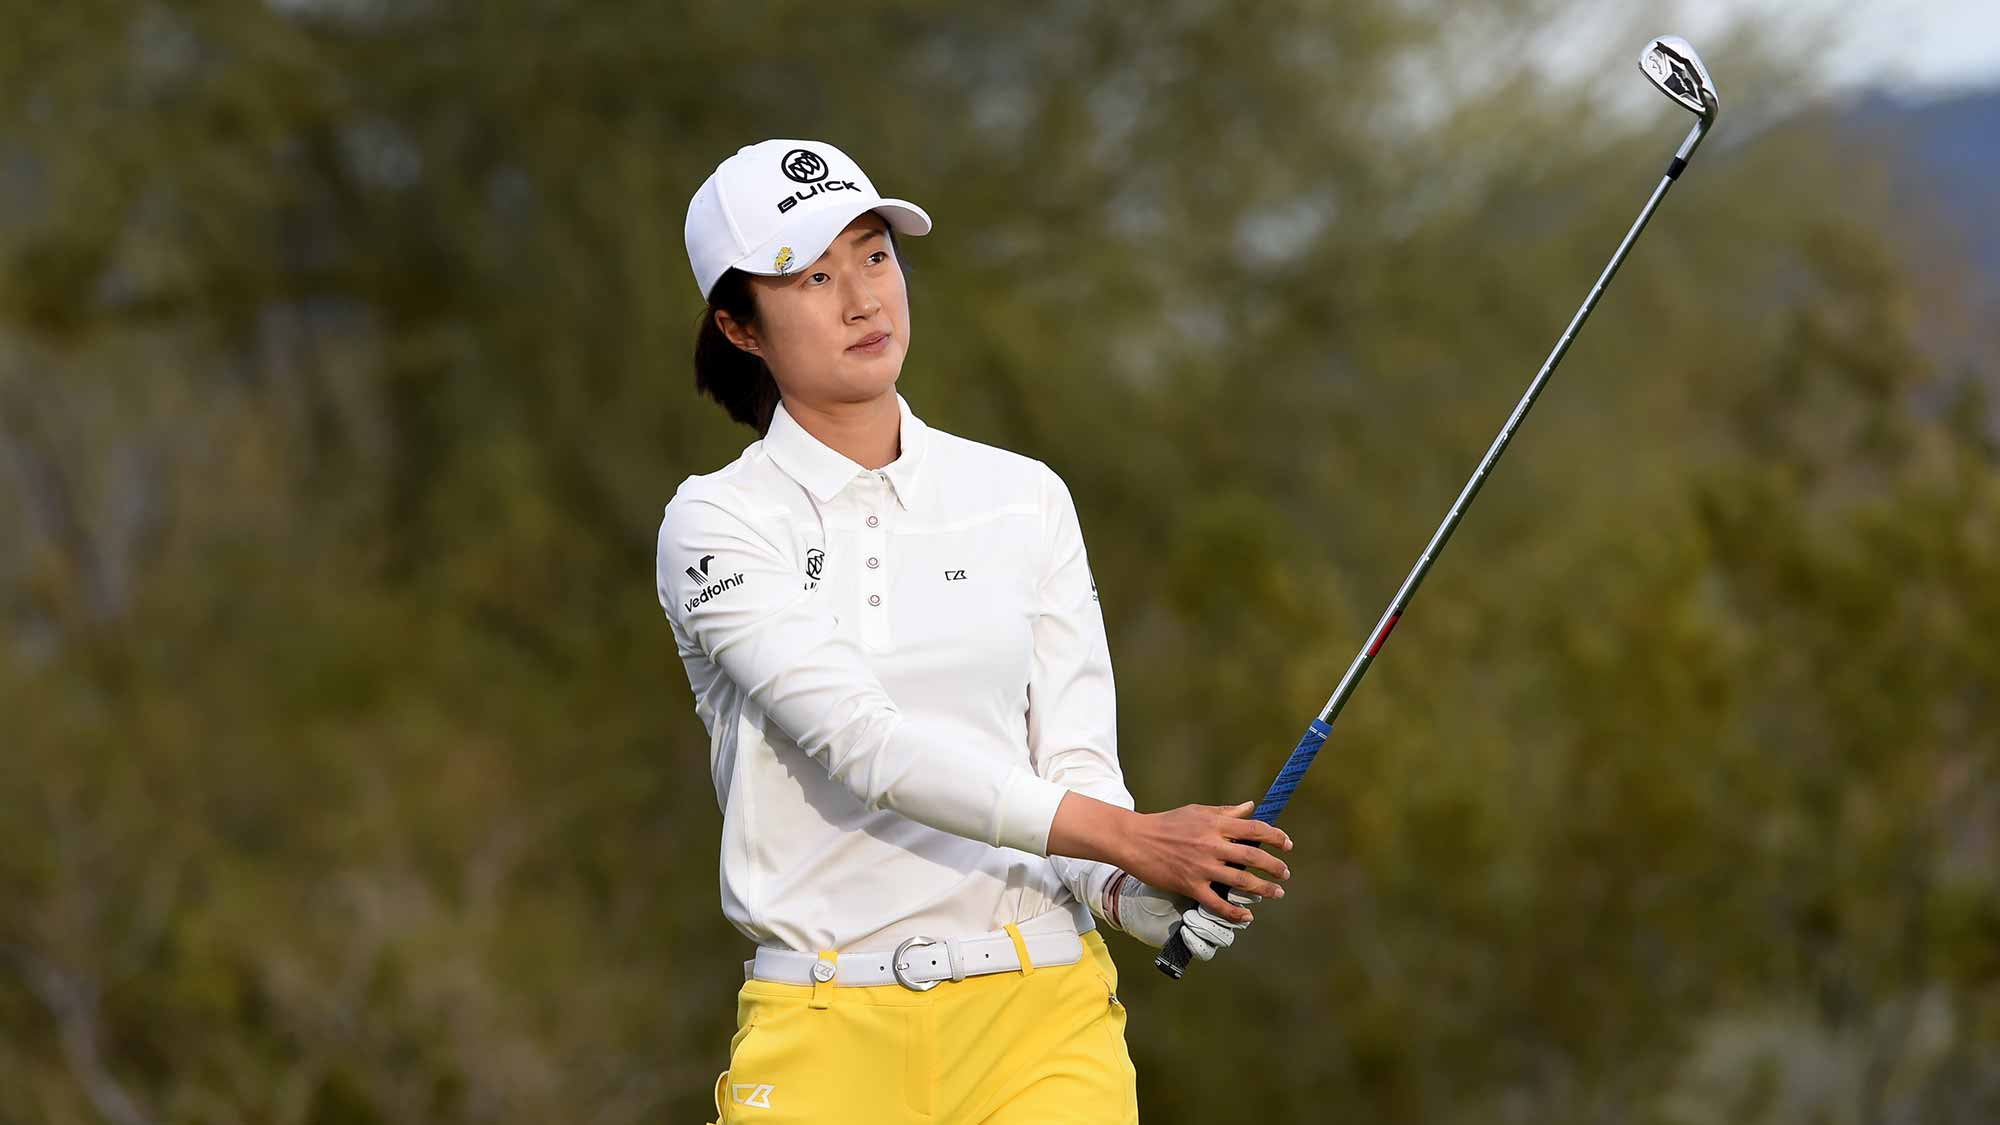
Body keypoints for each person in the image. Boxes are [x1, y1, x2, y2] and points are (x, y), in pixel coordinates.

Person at [662, 138, 1294, 1124]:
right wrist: (1133, 840)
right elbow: (863, 743)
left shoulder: (1021, 496)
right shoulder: (717, 522)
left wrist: (1126, 889)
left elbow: (1073, 759)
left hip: (1042, 1022)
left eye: (874, 256)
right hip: (823, 1025)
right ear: (740, 327)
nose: (862, 300)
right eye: (812, 277)